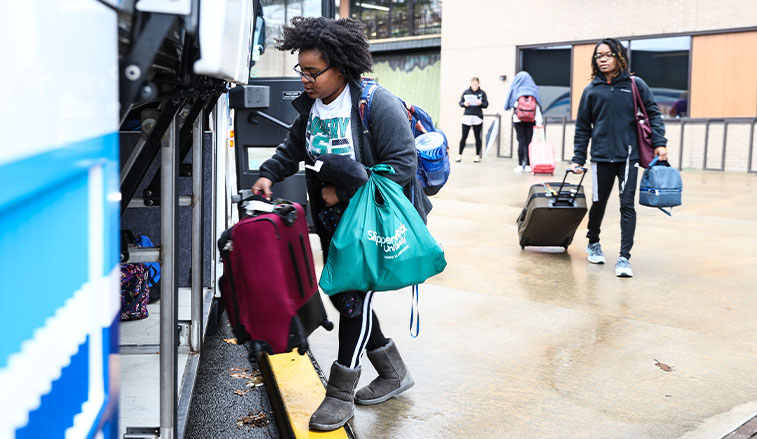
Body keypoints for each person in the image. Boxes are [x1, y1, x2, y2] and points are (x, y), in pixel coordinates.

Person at [251, 16, 430, 431]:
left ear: (342, 67)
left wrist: (344, 191)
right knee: (347, 299)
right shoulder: (312, 107)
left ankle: (339, 395)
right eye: (302, 70)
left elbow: (402, 165)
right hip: (334, 223)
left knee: (355, 305)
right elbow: (293, 147)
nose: (306, 79)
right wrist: (267, 173)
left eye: (313, 72)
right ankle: (393, 370)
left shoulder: (375, 104)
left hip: (371, 222)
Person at [569, 38, 668, 278]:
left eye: (607, 54)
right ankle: (593, 242)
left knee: (627, 206)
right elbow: (583, 127)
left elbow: (653, 113)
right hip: (600, 158)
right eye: (598, 56)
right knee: (599, 204)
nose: (602, 59)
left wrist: (660, 142)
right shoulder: (591, 90)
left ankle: (624, 258)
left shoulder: (635, 85)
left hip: (628, 158)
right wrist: (578, 159)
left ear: (619, 56)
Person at [505, 71, 543, 172]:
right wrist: (539, 122)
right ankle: (528, 165)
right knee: (528, 142)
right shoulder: (533, 89)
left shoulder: (516, 89)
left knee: (521, 141)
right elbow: (537, 107)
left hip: (518, 120)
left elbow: (512, 104)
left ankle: (520, 164)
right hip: (531, 120)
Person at [457, 77, 489, 163]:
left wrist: (481, 103)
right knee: (464, 136)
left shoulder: (482, 93)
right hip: (467, 116)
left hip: (477, 117)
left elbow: (486, 104)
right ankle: (459, 154)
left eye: (476, 84)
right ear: (470, 84)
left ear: (478, 84)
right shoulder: (466, 92)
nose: (474, 86)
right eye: (473, 84)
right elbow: (460, 103)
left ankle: (477, 155)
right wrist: (464, 104)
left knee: (477, 137)